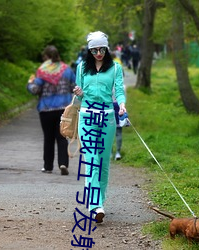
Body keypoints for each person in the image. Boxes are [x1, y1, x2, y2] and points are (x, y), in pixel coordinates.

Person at [73, 31, 126, 223]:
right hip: (87, 117)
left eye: (102, 49)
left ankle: (99, 204)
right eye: (94, 50)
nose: (98, 53)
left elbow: (119, 90)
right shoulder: (81, 68)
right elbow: (79, 97)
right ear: (89, 50)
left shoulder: (115, 68)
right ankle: (95, 205)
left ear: (107, 48)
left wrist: (121, 104)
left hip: (107, 119)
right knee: (92, 160)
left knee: (103, 164)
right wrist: (78, 92)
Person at [27, 45, 76, 175]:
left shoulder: (42, 71)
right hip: (63, 109)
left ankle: (48, 166)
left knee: (48, 138)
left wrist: (30, 83)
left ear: (46, 57)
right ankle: (63, 163)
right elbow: (74, 87)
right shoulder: (67, 70)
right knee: (62, 137)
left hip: (46, 109)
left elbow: (35, 90)